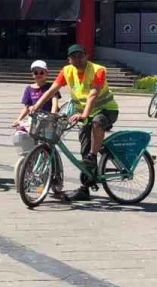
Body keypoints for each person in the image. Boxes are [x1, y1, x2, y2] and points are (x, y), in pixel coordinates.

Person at [30, 45, 119, 201]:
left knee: (97, 124)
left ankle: (93, 156)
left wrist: (84, 114)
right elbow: (52, 89)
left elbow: (93, 94)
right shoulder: (67, 71)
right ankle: (85, 188)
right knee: (84, 143)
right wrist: (36, 106)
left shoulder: (98, 70)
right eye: (74, 57)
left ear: (86, 56)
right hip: (84, 114)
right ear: (68, 59)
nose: (77, 59)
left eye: (80, 55)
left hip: (106, 110)